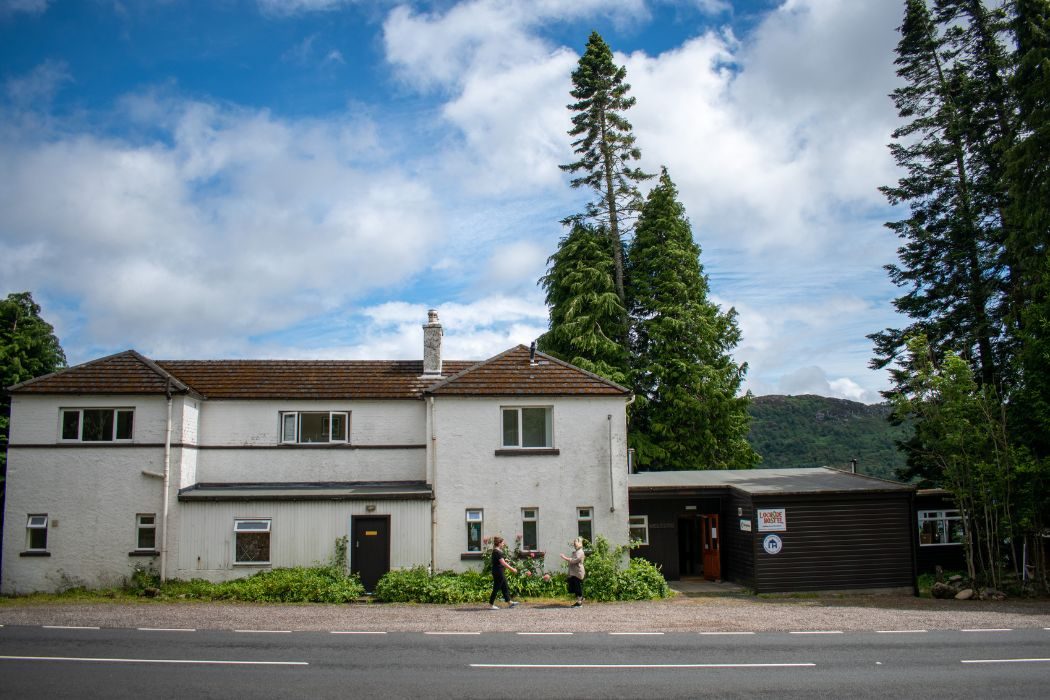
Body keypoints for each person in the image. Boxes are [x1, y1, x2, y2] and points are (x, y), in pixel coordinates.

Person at [488, 536, 519, 609]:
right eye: (502, 543)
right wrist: (512, 569)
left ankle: (509, 602)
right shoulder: (497, 552)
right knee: (496, 588)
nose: (503, 544)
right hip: (498, 572)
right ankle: (490, 604)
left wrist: (505, 561)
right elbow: (503, 563)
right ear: (499, 543)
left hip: (498, 571)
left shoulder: (496, 551)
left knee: (504, 586)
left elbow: (499, 561)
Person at [560, 537, 586, 607]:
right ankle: (580, 598)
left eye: (575, 542)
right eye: (574, 543)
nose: (574, 544)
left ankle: (579, 601)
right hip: (574, 572)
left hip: (578, 572)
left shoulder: (580, 552)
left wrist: (564, 557)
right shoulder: (577, 551)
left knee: (577, 586)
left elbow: (574, 560)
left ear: (580, 543)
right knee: (573, 586)